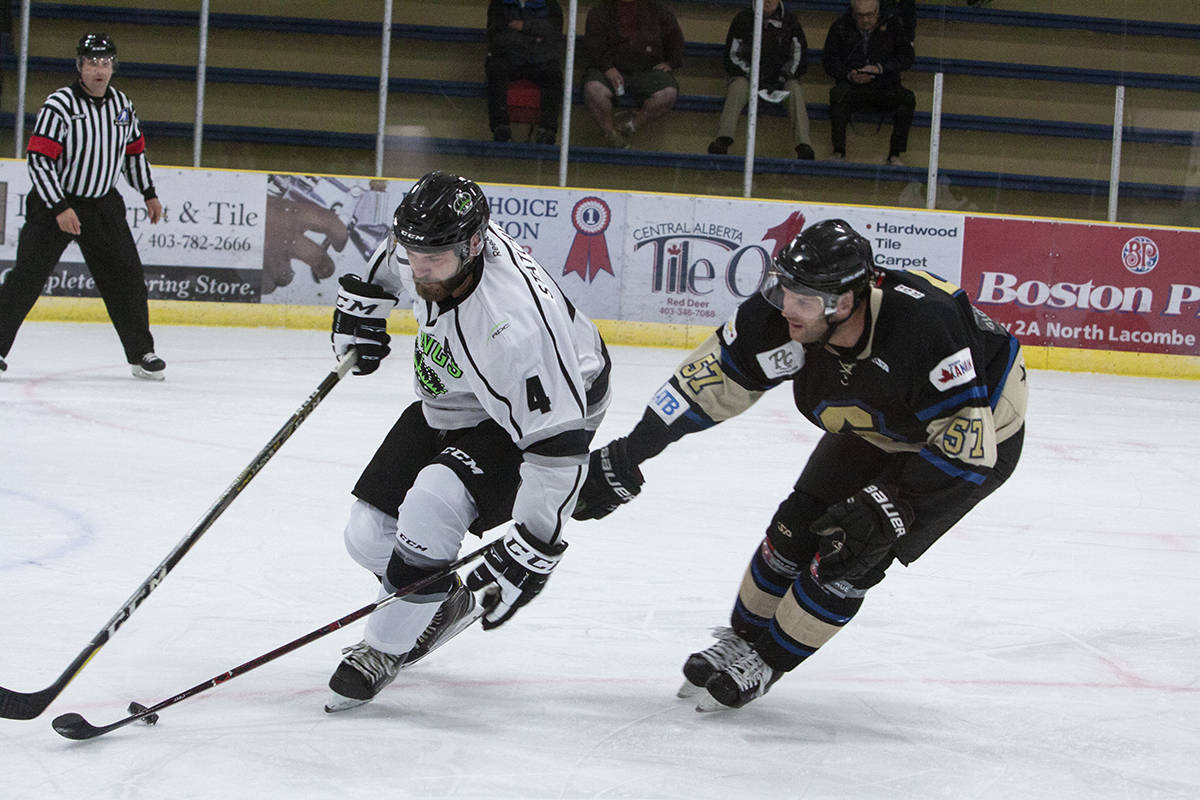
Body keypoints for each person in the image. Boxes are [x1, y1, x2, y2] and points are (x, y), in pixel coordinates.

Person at [573, 219, 1027, 711]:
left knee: (851, 552)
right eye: (784, 288)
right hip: (878, 426)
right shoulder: (778, 320)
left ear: (848, 300)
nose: (788, 307)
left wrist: (892, 504)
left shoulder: (922, 326)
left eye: (804, 298)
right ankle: (744, 639)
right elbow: (708, 383)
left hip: (968, 443)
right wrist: (633, 450)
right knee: (793, 527)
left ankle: (767, 659)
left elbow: (968, 445)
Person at [325, 171, 612, 712]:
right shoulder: (432, 247)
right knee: (367, 536)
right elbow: (391, 264)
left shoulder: (516, 330)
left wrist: (534, 546)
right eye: (414, 255)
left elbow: (558, 449)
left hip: (537, 414)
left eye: (433, 261)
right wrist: (360, 312)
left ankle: (382, 648)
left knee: (433, 502)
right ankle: (437, 598)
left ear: (474, 246)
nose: (419, 270)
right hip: (456, 396)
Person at [0, 33, 165, 380]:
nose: (99, 70)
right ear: (80, 66)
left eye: (105, 63)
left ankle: (142, 353)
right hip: (54, 205)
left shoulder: (123, 106)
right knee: (26, 278)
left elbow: (133, 155)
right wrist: (59, 206)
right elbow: (39, 160)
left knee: (128, 278)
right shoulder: (59, 104)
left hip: (103, 205)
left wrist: (148, 192)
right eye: (92, 63)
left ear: (113, 66)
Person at [708, 0, 815, 160]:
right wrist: (753, 74)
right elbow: (732, 56)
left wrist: (781, 78)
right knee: (737, 86)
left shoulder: (791, 21)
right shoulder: (742, 19)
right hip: (748, 77)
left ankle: (804, 145)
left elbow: (798, 57)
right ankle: (723, 139)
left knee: (795, 89)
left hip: (781, 80)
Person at [822, 0, 916, 165]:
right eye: (860, 15)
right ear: (853, 13)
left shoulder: (892, 25)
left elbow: (907, 57)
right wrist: (848, 75)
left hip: (885, 85)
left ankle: (895, 154)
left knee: (907, 99)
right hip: (852, 86)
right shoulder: (840, 27)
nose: (865, 20)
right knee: (837, 95)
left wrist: (880, 69)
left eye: (869, 15)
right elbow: (829, 61)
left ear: (877, 11)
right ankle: (839, 151)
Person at [581, 0, 685, 149]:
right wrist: (607, 67)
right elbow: (592, 45)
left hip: (648, 70)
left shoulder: (660, 10)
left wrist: (671, 63)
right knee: (593, 89)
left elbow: (676, 41)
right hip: (607, 69)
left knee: (668, 93)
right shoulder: (599, 11)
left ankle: (630, 127)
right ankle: (610, 134)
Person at [485, 0, 565, 145]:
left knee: (553, 72)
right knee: (495, 68)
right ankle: (500, 127)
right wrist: (534, 37)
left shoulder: (550, 4)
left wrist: (522, 26)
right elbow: (496, 37)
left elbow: (553, 34)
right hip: (510, 58)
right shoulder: (499, 3)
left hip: (540, 59)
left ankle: (547, 130)